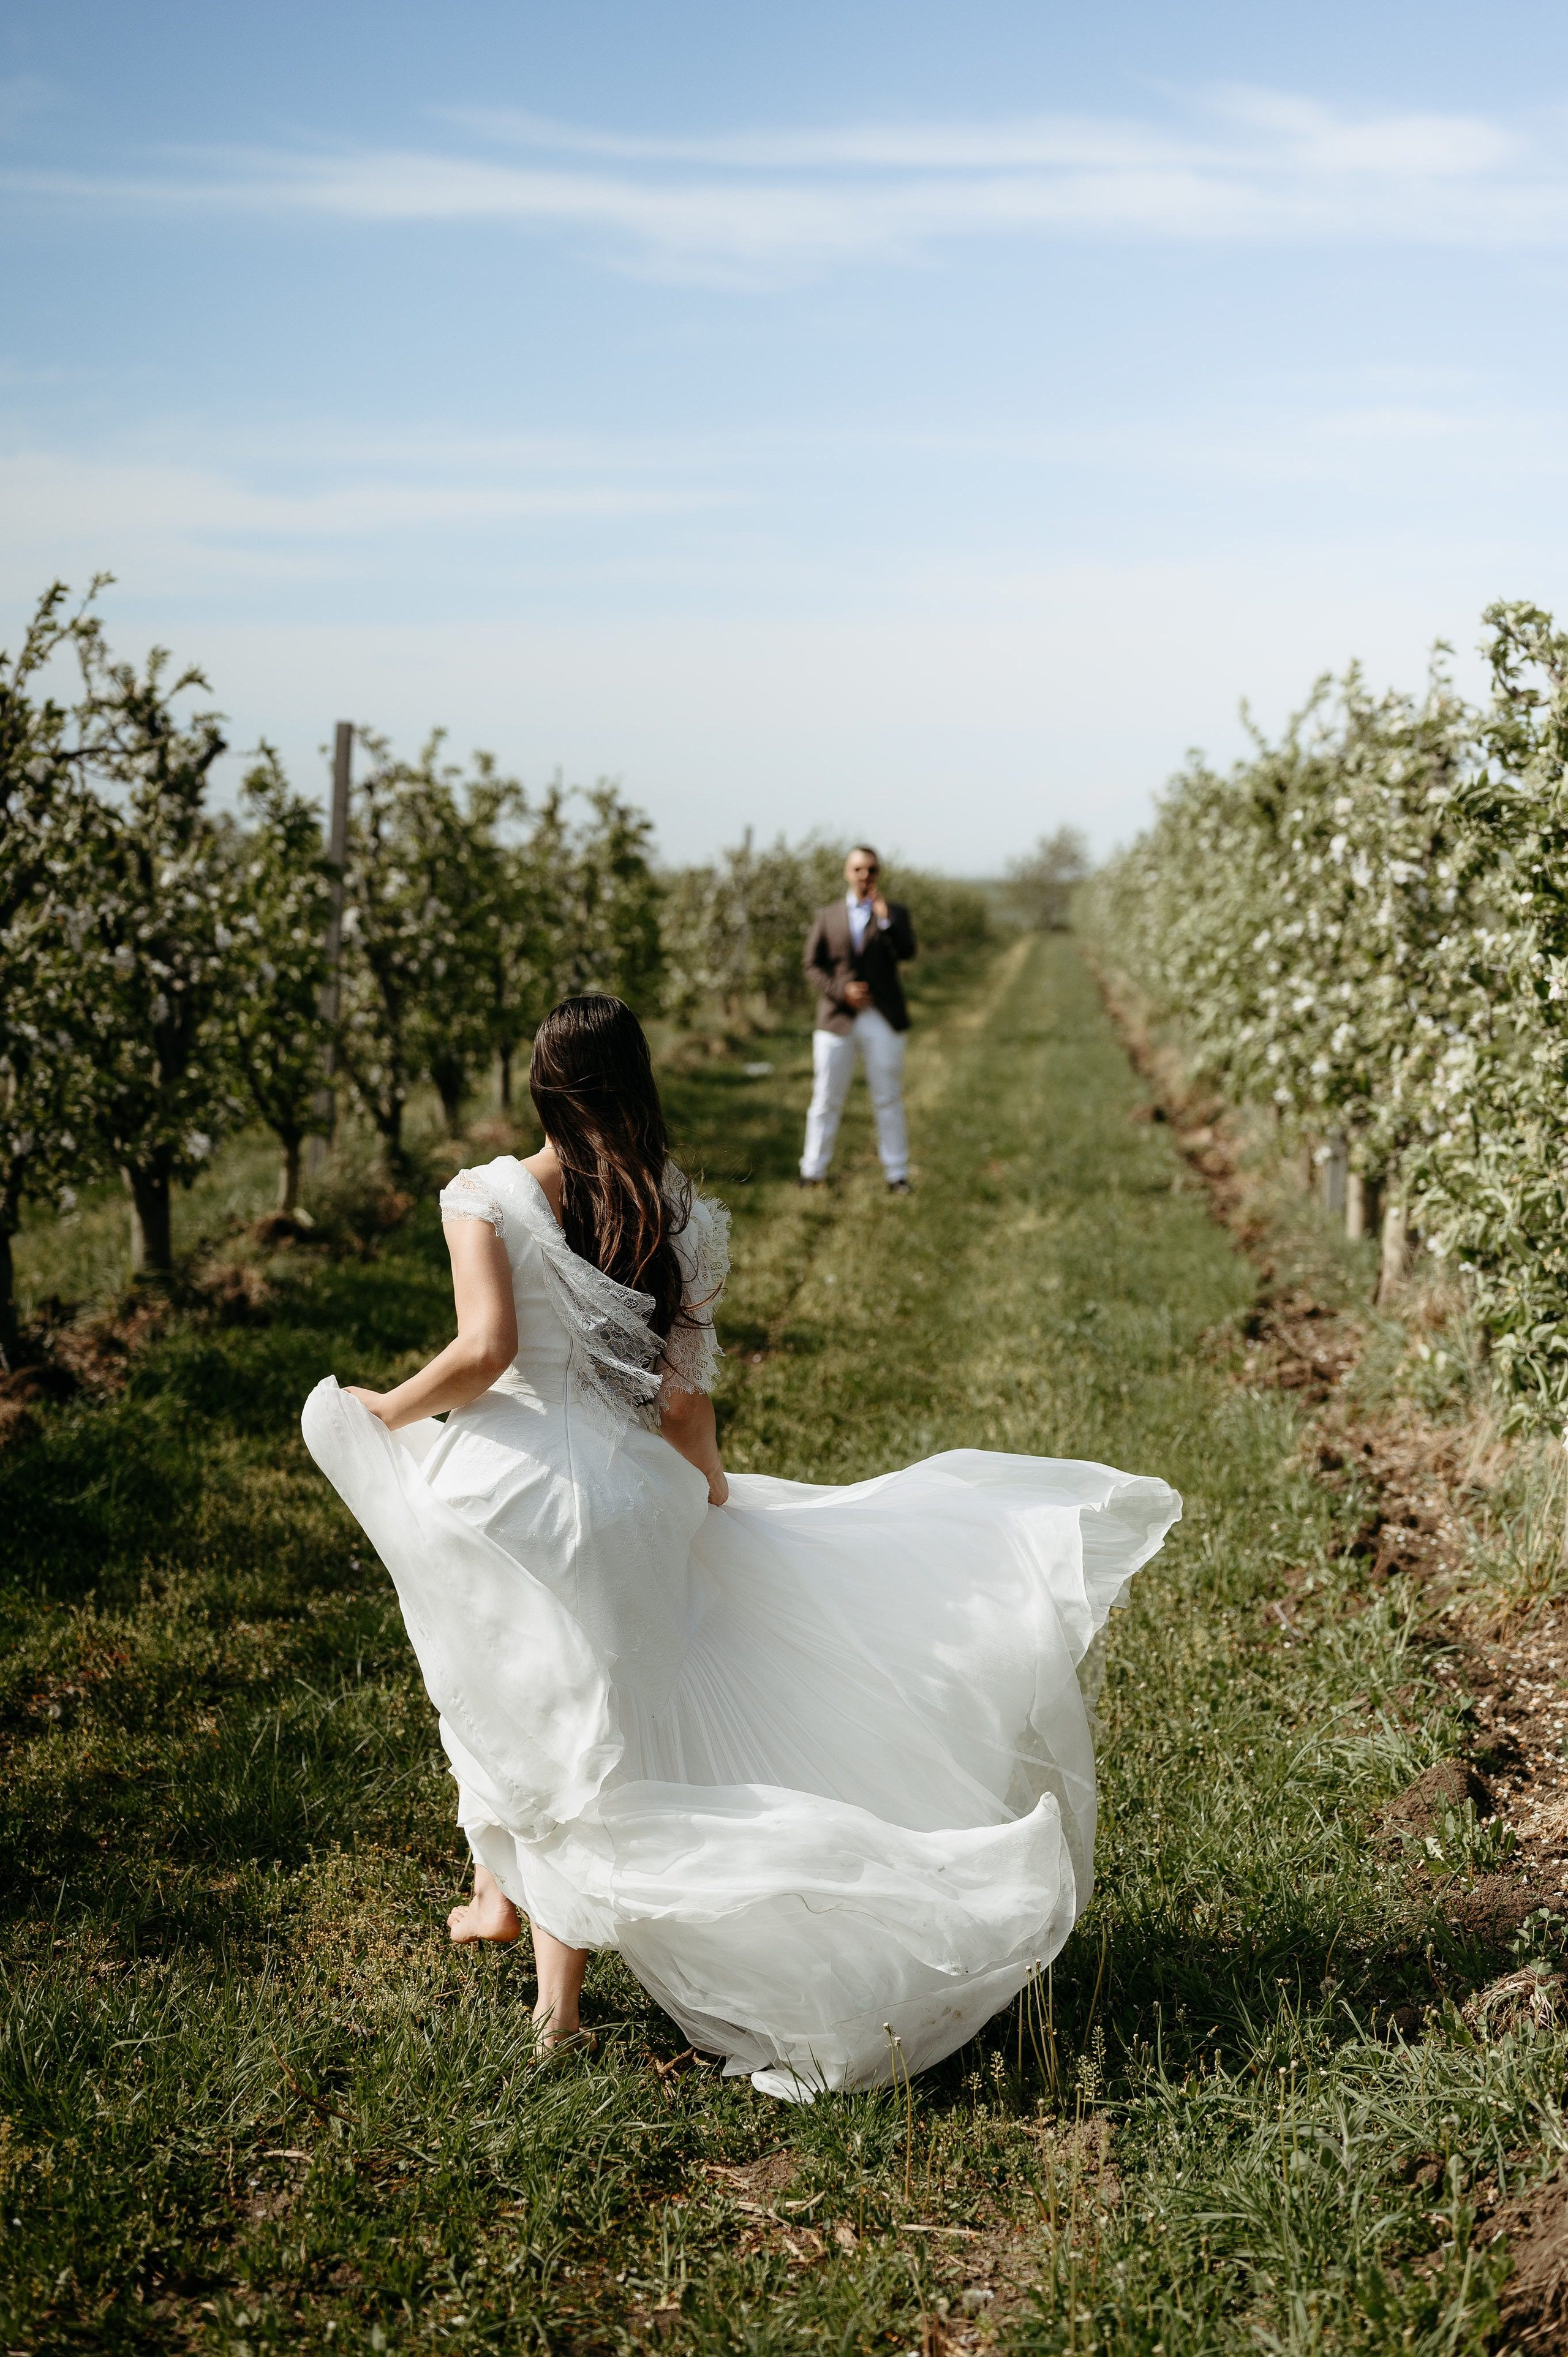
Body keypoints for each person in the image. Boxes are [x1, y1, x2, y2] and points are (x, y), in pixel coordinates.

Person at [302, 994, 1179, 2100]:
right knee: (588, 1717)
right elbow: (680, 1399)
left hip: (506, 1489)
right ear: (640, 1080)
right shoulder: (673, 1214)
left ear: (541, 1089)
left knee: (504, 1687)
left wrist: (387, 1408)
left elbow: (486, 1352)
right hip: (626, 1497)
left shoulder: (483, 1197)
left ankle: (553, 2003)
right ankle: (501, 1906)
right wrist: (704, 1488)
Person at [801, 845, 917, 1193]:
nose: (865, 876)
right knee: (825, 1097)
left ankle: (897, 1174)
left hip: (882, 1017)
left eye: (872, 870)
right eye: (858, 869)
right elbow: (811, 964)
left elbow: (908, 951)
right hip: (837, 1019)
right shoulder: (828, 915)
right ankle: (813, 1171)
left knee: (888, 1096)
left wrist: (885, 921)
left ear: (879, 873)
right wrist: (841, 991)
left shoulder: (895, 913)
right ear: (846, 873)